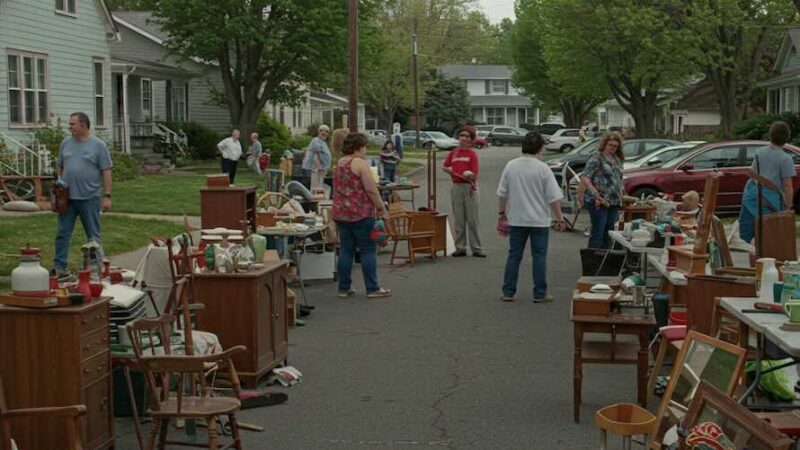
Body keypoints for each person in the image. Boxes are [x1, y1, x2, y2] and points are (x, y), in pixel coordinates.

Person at [497, 132, 567, 303]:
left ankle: (508, 291)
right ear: (540, 147)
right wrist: (560, 219)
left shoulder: (511, 165)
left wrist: (502, 214)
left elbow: (502, 193)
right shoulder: (543, 168)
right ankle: (540, 293)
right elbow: (553, 198)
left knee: (514, 255)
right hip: (539, 221)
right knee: (539, 257)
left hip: (517, 219)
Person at [52, 112, 113, 277]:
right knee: (62, 233)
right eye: (69, 124)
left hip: (89, 198)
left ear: (83, 126)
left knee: (93, 237)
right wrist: (60, 183)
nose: (69, 127)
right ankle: (59, 268)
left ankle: (94, 270)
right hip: (67, 199)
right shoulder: (66, 143)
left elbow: (106, 172)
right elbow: (60, 165)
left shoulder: (98, 146)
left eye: (72, 124)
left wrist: (107, 196)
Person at [332, 133, 391, 298]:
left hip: (341, 212)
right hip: (360, 213)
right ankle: (372, 288)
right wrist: (382, 208)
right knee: (367, 249)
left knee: (346, 250)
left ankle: (344, 287)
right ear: (359, 146)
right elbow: (371, 189)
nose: (366, 150)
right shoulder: (360, 163)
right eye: (365, 147)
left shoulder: (340, 163)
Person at [738, 121, 797, 243]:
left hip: (752, 197)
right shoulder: (786, 159)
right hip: (771, 204)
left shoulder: (759, 153)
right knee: (769, 239)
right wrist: (788, 205)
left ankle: (754, 261)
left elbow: (753, 174)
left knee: (748, 239)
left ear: (770, 135)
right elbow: (787, 185)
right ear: (787, 138)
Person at [444, 126, 485, 257]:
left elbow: (475, 173)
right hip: (456, 187)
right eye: (462, 135)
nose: (463, 138)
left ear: (471, 140)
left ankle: (477, 248)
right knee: (459, 219)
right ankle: (460, 247)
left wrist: (470, 174)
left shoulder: (472, 154)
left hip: (469, 187)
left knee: (472, 220)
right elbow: (446, 165)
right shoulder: (453, 153)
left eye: (467, 136)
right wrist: (448, 169)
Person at [580, 132, 625, 249]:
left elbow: (619, 179)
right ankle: (592, 262)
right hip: (598, 201)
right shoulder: (597, 158)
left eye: (615, 146)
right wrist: (595, 194)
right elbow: (585, 177)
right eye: (610, 145)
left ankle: (606, 261)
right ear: (604, 144)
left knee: (609, 233)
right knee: (598, 232)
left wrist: (622, 194)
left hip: (614, 201)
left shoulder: (617, 159)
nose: (613, 148)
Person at [303, 124, 332, 191]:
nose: (324, 133)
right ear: (318, 132)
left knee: (319, 187)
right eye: (321, 131)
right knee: (315, 187)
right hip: (317, 169)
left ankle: (317, 200)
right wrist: (318, 168)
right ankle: (314, 200)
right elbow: (315, 155)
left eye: (326, 131)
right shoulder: (316, 141)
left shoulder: (322, 142)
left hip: (322, 168)